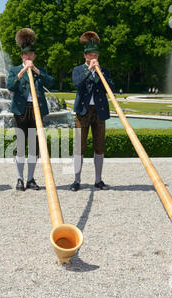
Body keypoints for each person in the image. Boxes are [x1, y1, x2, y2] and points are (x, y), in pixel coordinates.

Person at [7, 28, 54, 191]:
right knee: (20, 146)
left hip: (36, 111)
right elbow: (9, 86)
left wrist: (35, 70)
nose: (29, 57)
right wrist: (22, 71)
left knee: (34, 147)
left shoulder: (39, 71)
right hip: (21, 111)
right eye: (26, 55)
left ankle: (31, 179)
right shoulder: (14, 70)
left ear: (34, 56)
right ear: (22, 56)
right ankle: (19, 178)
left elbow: (50, 83)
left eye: (31, 55)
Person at [70, 31, 115, 192]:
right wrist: (89, 70)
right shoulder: (78, 70)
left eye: (96, 54)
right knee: (79, 147)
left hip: (99, 111)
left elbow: (111, 88)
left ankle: (98, 179)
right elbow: (77, 83)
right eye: (90, 54)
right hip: (82, 112)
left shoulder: (104, 71)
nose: (93, 57)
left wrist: (99, 73)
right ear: (85, 55)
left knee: (99, 146)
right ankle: (76, 180)